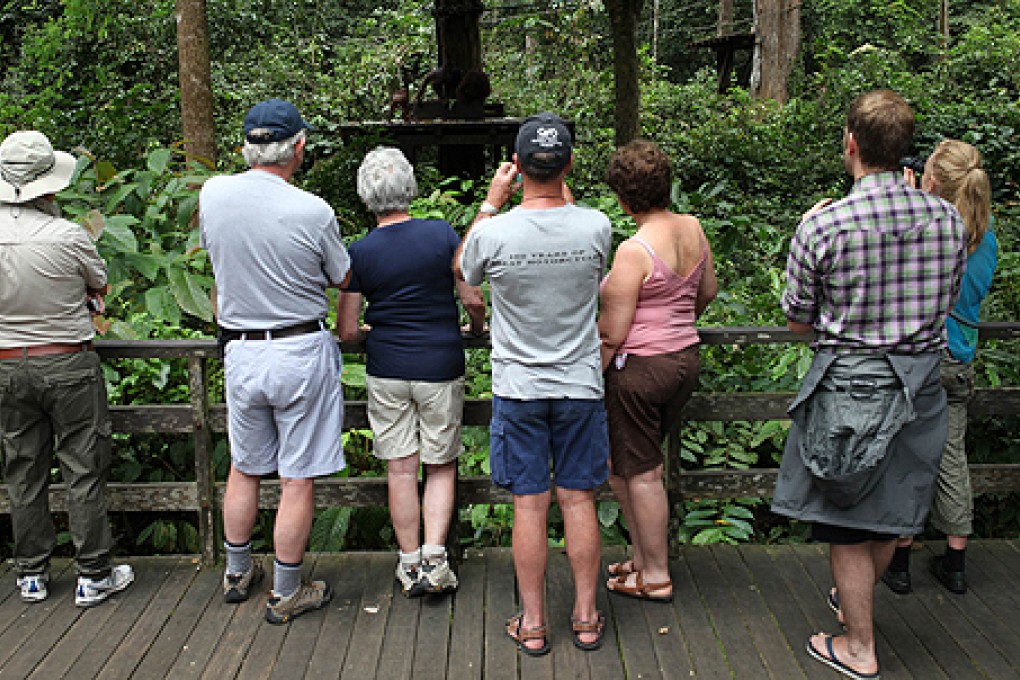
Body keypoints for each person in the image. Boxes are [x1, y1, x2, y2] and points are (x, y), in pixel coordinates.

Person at [771, 90, 968, 680]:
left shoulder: (826, 224)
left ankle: (859, 645)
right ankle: (855, 604)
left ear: (850, 143)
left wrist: (803, 233)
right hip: (921, 383)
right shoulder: (947, 219)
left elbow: (798, 319)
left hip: (851, 386)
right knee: (897, 503)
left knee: (846, 516)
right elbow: (948, 299)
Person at [455, 112, 611, 655]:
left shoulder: (494, 233)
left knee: (529, 505)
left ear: (517, 167)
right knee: (578, 501)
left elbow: (463, 269)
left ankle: (535, 622)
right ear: (569, 164)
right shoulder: (596, 226)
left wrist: (491, 201)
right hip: (579, 384)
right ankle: (587, 618)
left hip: (519, 386)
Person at [199, 99, 351, 624]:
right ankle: (287, 590)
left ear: (245, 146)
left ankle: (237, 572)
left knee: (244, 467)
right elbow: (341, 275)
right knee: (296, 478)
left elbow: (215, 256)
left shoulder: (214, 194)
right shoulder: (313, 210)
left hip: (241, 351)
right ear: (299, 147)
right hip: (299, 348)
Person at [338, 146, 485, 598]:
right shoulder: (441, 235)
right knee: (440, 465)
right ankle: (436, 560)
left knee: (400, 470)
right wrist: (475, 328)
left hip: (387, 366)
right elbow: (473, 298)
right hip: (440, 362)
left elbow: (345, 331)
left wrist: (368, 328)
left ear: (366, 196)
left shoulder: (359, 252)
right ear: (409, 188)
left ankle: (408, 564)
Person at [0, 130, 134, 607]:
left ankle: (31, 573)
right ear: (48, 185)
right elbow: (99, 283)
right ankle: (93, 572)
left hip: (6, 366)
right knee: (82, 465)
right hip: (67, 360)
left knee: (22, 468)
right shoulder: (66, 235)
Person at [598, 139, 717, 602]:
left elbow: (613, 331)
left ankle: (656, 575)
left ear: (625, 200)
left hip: (640, 370)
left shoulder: (635, 249)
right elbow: (706, 290)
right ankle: (644, 556)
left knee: (643, 472)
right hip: (684, 361)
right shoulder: (692, 228)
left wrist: (593, 380)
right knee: (625, 467)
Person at [881, 140, 998, 596]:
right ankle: (955, 562)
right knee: (951, 457)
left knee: (907, 456)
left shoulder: (925, 230)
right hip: (961, 358)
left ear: (932, 182)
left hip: (923, 357)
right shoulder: (986, 235)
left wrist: (909, 201)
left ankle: (901, 562)